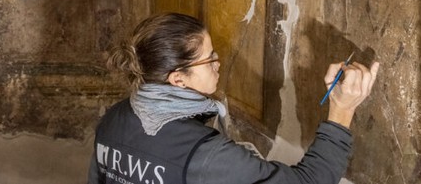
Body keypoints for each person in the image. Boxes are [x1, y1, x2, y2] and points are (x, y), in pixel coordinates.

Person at [89, 12, 380, 184]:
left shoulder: (113, 118)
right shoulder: (205, 155)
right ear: (178, 79)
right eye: (209, 58)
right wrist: (341, 110)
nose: (218, 62)